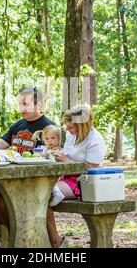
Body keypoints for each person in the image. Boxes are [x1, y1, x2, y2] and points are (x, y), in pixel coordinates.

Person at [0, 86, 55, 238]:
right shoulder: (18, 125)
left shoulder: (48, 127)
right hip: (9, 182)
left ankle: (22, 238)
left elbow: (52, 156)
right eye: (20, 104)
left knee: (4, 203)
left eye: (25, 104)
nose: (21, 108)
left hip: (33, 183)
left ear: (38, 105)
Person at [47, 104, 107, 247]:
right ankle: (49, 239)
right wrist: (57, 154)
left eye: (71, 127)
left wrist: (66, 161)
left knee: (43, 195)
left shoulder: (95, 140)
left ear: (83, 126)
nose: (67, 129)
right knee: (37, 192)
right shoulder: (70, 135)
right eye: (67, 126)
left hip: (84, 181)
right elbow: (67, 155)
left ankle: (56, 241)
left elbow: (90, 169)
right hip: (66, 175)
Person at [32, 125, 65, 207]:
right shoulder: (44, 149)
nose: (50, 141)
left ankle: (57, 193)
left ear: (59, 139)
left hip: (57, 174)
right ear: (43, 140)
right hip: (46, 172)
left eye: (53, 138)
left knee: (49, 182)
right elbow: (40, 156)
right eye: (47, 139)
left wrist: (46, 154)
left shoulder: (58, 150)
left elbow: (53, 156)